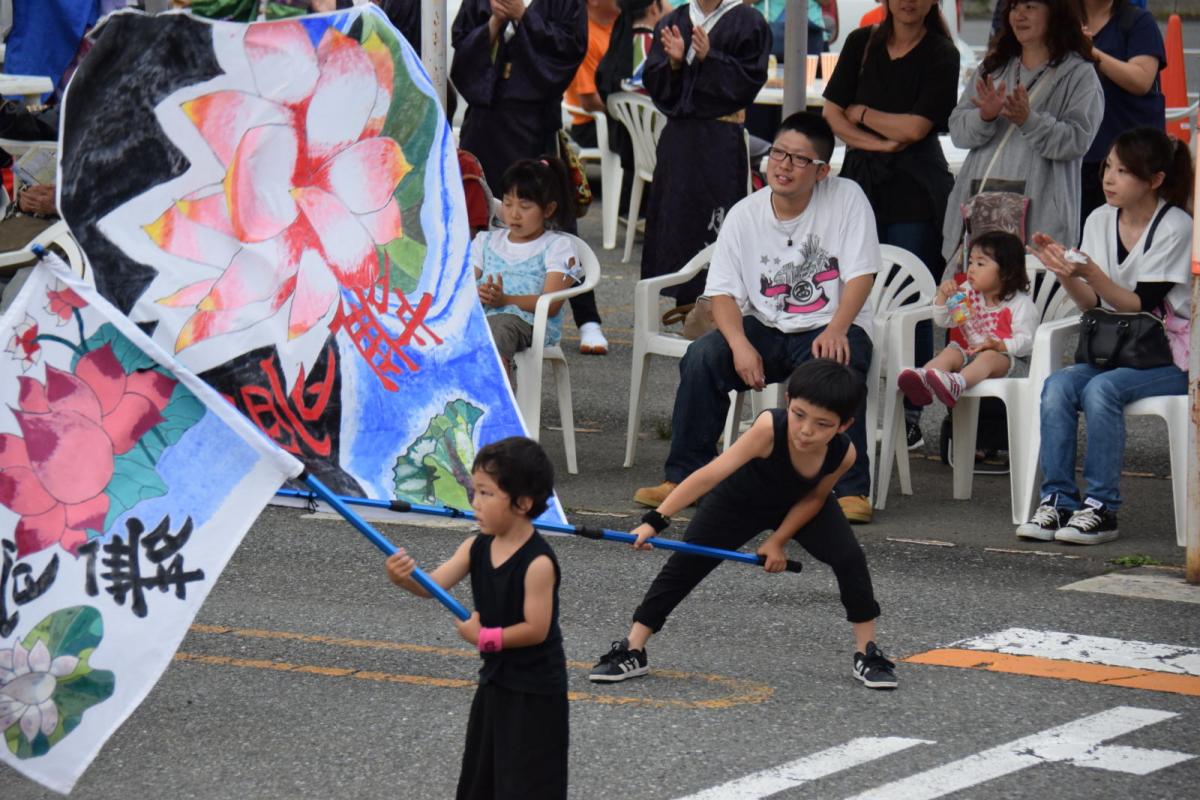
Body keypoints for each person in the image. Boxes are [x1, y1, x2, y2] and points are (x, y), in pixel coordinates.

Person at [634, 112, 879, 524]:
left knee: (838, 364)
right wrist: (739, 345)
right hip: (764, 325)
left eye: (799, 159)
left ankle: (848, 488)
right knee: (702, 357)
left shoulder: (846, 198)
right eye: (779, 153)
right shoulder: (745, 213)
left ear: (822, 171)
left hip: (828, 322)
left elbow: (861, 274)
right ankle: (686, 476)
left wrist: (838, 328)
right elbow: (722, 293)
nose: (784, 165)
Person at [594, 359, 896, 689]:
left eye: (822, 424)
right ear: (787, 401)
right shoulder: (768, 428)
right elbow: (709, 474)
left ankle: (867, 652)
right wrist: (654, 521)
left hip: (799, 504)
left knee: (850, 558)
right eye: (799, 415)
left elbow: (814, 499)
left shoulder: (843, 454)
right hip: (738, 501)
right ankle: (633, 648)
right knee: (686, 563)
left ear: (843, 425)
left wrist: (778, 540)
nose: (806, 430)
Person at [1021, 127, 1192, 544]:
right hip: (1116, 350)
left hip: (1169, 358)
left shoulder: (1176, 226)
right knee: (1058, 385)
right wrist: (1063, 272)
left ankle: (1102, 507)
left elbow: (1139, 304)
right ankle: (1058, 499)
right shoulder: (1099, 218)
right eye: (1108, 168)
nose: (1109, 179)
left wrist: (1091, 272)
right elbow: (1092, 303)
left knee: (1102, 390)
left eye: (1123, 171)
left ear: (1155, 180)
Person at [385, 437, 568, 799]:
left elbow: (536, 629)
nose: (475, 503)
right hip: (496, 683)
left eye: (486, 493)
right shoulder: (475, 547)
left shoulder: (538, 563)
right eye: (475, 491)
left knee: (527, 783)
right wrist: (403, 578)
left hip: (535, 694)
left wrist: (485, 638)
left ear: (522, 503)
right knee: (482, 777)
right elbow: (432, 586)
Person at [822, 0, 959, 451]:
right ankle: (845, 399)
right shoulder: (861, 42)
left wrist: (862, 113)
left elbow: (917, 128)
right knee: (850, 290)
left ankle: (910, 413)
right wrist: (880, 143)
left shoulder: (942, 52)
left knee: (909, 299)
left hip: (916, 190)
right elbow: (831, 113)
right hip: (861, 182)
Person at [451, 0, 609, 356]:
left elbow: (570, 50)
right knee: (477, 211)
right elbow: (461, 46)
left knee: (551, 213)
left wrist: (525, 17)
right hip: (486, 115)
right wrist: (494, 24)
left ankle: (587, 317)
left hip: (532, 119)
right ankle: (472, 306)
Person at [943, 0, 1102, 267]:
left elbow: (1077, 141)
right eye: (1014, 7)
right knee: (972, 287)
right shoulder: (993, 67)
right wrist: (984, 116)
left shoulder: (1079, 74)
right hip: (980, 204)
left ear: (1056, 12)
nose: (1019, 15)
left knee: (1029, 288)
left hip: (1041, 215)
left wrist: (1029, 120)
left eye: (1030, 6)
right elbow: (958, 131)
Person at [639, 0, 771, 307]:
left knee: (717, 221)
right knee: (676, 221)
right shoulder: (672, 20)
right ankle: (684, 305)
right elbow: (655, 82)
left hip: (720, 140)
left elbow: (750, 80)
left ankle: (717, 305)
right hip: (679, 140)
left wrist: (710, 57)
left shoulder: (748, 21)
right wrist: (673, 64)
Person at [472, 159, 583, 387]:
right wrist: (480, 293)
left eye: (524, 207)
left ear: (548, 209)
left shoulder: (557, 246)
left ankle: (499, 398)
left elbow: (551, 304)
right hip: (482, 316)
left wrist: (504, 300)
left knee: (498, 328)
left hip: (528, 323)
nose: (514, 214)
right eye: (508, 203)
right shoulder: (485, 241)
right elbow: (463, 284)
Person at [896, 230, 1037, 409]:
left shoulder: (1020, 304)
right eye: (970, 262)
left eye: (980, 264)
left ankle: (957, 384)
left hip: (1013, 363)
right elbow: (945, 321)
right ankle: (924, 380)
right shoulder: (968, 293)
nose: (971, 269)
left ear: (1006, 272)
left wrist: (1000, 346)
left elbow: (1027, 342)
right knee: (951, 351)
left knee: (990, 356)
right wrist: (943, 296)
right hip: (975, 358)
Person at [1077, 0, 1166, 226]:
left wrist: (1091, 52)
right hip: (1076, 156)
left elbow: (1141, 80)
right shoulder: (1061, 21)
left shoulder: (1137, 22)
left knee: (1128, 232)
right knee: (1080, 238)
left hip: (1129, 160)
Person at [564, 0, 621, 149]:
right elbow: (589, 102)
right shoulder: (584, 38)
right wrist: (628, 111)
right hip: (593, 124)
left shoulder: (622, 23)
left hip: (619, 113)